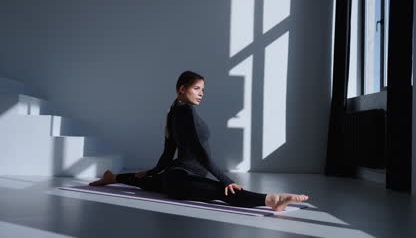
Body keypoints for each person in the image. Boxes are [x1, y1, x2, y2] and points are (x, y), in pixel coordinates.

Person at [89, 71, 308, 211]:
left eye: (203, 90)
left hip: (177, 175)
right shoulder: (186, 112)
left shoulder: (173, 111)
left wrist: (153, 170)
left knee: (147, 181)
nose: (201, 94)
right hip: (184, 179)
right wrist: (225, 179)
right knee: (226, 192)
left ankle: (113, 177)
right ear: (182, 89)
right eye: (197, 89)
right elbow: (199, 153)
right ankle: (273, 199)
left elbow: (168, 153)